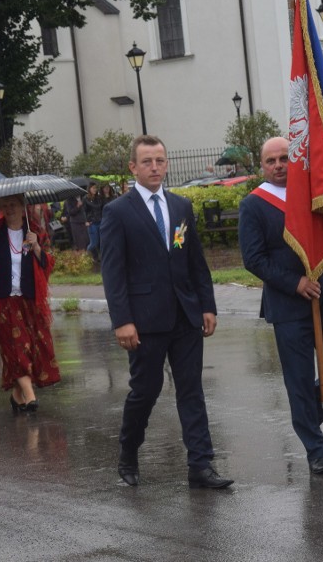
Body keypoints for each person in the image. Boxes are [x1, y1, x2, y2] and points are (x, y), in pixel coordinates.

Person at [99, 134, 233, 489]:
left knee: (191, 390)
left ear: (167, 163)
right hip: (143, 321)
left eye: (160, 160)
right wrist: (122, 320)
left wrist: (207, 305)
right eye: (147, 161)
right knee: (146, 390)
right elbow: (113, 273)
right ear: (133, 167)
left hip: (185, 315)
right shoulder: (117, 212)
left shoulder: (180, 207)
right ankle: (128, 451)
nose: (154, 167)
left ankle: (201, 465)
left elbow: (195, 261)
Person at [238, 137, 323, 475]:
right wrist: (295, 283)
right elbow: (253, 259)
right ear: (261, 166)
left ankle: (308, 418)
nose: (277, 165)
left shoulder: (315, 195)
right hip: (288, 303)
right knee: (299, 378)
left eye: (283, 159)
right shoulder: (254, 205)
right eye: (270, 160)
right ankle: (316, 450)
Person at [0, 194, 60, 412]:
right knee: (15, 347)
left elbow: (49, 262)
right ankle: (31, 397)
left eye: (13, 204)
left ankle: (18, 395)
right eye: (5, 205)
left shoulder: (35, 231)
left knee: (33, 345)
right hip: (4, 299)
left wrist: (36, 248)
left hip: (30, 298)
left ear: (22, 206)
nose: (9, 209)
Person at [83, 182, 111, 263]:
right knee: (94, 243)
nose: (95, 190)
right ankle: (85, 255)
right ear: (89, 189)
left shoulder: (99, 198)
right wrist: (86, 221)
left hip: (101, 221)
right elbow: (83, 211)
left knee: (102, 242)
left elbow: (103, 208)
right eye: (93, 188)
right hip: (92, 223)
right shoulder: (85, 198)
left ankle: (102, 259)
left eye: (96, 188)